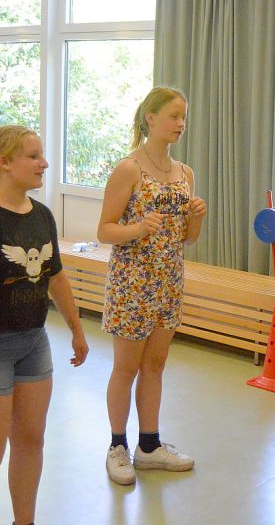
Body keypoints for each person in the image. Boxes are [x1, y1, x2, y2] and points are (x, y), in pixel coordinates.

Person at [0, 125, 89, 525]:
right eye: (33, 156)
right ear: (4, 163)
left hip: (33, 343)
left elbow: (55, 277)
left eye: (42, 155)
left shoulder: (42, 215)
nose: (44, 163)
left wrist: (76, 328)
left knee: (30, 441)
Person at [98, 86, 207, 485]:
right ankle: (116, 446)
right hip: (132, 283)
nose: (180, 124)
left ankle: (149, 446)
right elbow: (104, 230)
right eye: (174, 116)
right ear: (151, 118)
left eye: (184, 118)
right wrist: (139, 228)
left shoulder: (185, 173)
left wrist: (197, 214)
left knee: (155, 365)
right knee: (126, 367)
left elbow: (187, 237)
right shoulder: (129, 169)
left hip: (168, 282)